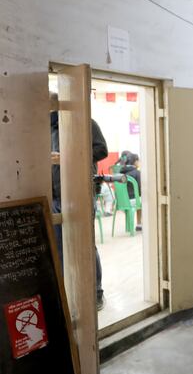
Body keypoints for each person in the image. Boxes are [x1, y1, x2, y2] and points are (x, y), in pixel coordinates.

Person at [50, 91, 109, 310]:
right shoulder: (42, 127)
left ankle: (96, 293)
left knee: (85, 245)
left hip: (79, 194)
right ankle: (68, 294)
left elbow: (102, 150)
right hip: (54, 196)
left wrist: (66, 156)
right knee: (59, 247)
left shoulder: (84, 122)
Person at [117, 151, 143, 231]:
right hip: (133, 201)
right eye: (138, 161)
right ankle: (139, 224)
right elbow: (140, 188)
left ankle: (129, 224)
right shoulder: (137, 173)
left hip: (122, 201)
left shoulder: (120, 173)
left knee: (136, 198)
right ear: (135, 161)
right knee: (143, 200)